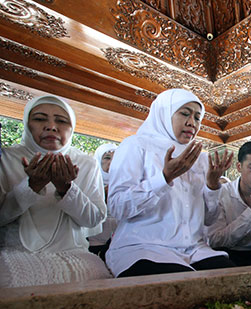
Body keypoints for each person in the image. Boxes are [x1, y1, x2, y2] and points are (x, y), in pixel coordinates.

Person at [106, 88, 235, 277]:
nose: (192, 123)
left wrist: (212, 186)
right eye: (184, 113)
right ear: (164, 113)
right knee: (178, 285)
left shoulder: (200, 158)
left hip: (194, 250)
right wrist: (164, 178)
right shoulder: (136, 145)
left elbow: (209, 220)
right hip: (143, 248)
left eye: (197, 117)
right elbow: (118, 207)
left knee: (232, 280)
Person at [0, 95, 110, 287]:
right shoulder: (7, 158)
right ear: (27, 124)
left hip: (75, 254)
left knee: (98, 281)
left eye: (61, 121)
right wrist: (31, 186)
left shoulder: (86, 163)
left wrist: (66, 188)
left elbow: (94, 219)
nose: (51, 126)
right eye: (40, 119)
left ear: (72, 128)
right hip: (14, 253)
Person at [87, 142, 118, 260]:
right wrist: (103, 196)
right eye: (107, 158)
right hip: (92, 244)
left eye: (117, 158)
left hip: (117, 245)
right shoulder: (90, 183)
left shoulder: (127, 184)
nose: (112, 162)